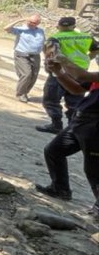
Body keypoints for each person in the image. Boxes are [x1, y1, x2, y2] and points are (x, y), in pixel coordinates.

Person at [34, 55, 99, 219]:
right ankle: (60, 189)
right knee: (53, 151)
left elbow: (82, 76)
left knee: (94, 169)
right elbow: (77, 88)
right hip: (82, 122)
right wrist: (58, 72)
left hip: (95, 126)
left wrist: (64, 61)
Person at [35, 17, 99, 133]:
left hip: (60, 72)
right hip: (81, 72)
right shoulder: (86, 37)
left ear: (58, 26)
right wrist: (87, 58)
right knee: (75, 101)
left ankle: (56, 125)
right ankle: (73, 127)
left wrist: (51, 66)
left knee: (51, 100)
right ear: (74, 26)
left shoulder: (55, 38)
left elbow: (51, 54)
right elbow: (96, 49)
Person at [3, 14, 44, 102]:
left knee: (34, 76)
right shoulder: (21, 29)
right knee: (26, 74)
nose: (31, 24)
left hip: (35, 55)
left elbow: (42, 43)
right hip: (22, 55)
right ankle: (20, 94)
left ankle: (25, 92)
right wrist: (19, 20)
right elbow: (6, 28)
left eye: (34, 22)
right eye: (30, 21)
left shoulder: (40, 31)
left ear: (38, 23)